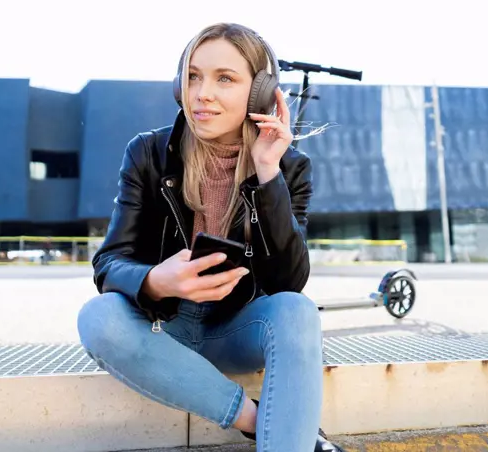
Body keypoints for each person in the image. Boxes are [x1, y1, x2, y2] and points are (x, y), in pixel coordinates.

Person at [77, 22, 346, 452]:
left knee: (298, 311)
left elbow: (288, 280)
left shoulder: (288, 166)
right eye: (193, 76)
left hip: (237, 329)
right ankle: (256, 420)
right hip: (163, 328)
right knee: (98, 317)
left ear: (259, 93)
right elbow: (110, 262)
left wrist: (268, 174)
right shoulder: (147, 152)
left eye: (225, 79)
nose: (202, 93)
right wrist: (155, 281)